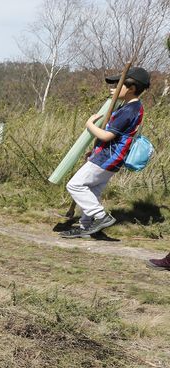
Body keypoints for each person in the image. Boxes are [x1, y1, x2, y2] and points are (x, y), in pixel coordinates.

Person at [61, 66, 150, 239]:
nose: (113, 88)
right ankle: (86, 227)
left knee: (75, 185)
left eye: (118, 84)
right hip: (108, 157)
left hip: (108, 158)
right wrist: (94, 151)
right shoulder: (130, 107)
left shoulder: (129, 110)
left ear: (131, 88)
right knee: (92, 190)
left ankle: (101, 216)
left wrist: (89, 125)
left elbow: (108, 135)